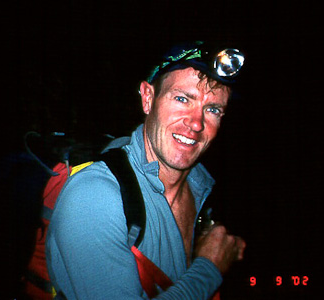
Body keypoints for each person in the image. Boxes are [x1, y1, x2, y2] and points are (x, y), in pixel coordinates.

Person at [46, 41, 246, 299]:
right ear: (148, 98)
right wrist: (209, 268)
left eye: (212, 110)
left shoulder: (203, 191)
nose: (196, 124)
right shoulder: (95, 196)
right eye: (182, 99)